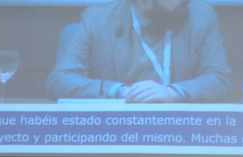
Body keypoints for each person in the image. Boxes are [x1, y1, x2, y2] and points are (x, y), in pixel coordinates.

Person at [47, 0, 231, 102]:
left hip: (180, 130)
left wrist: (174, 92)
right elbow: (60, 81)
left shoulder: (200, 15)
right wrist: (118, 92)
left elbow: (221, 80)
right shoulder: (97, 19)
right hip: (116, 132)